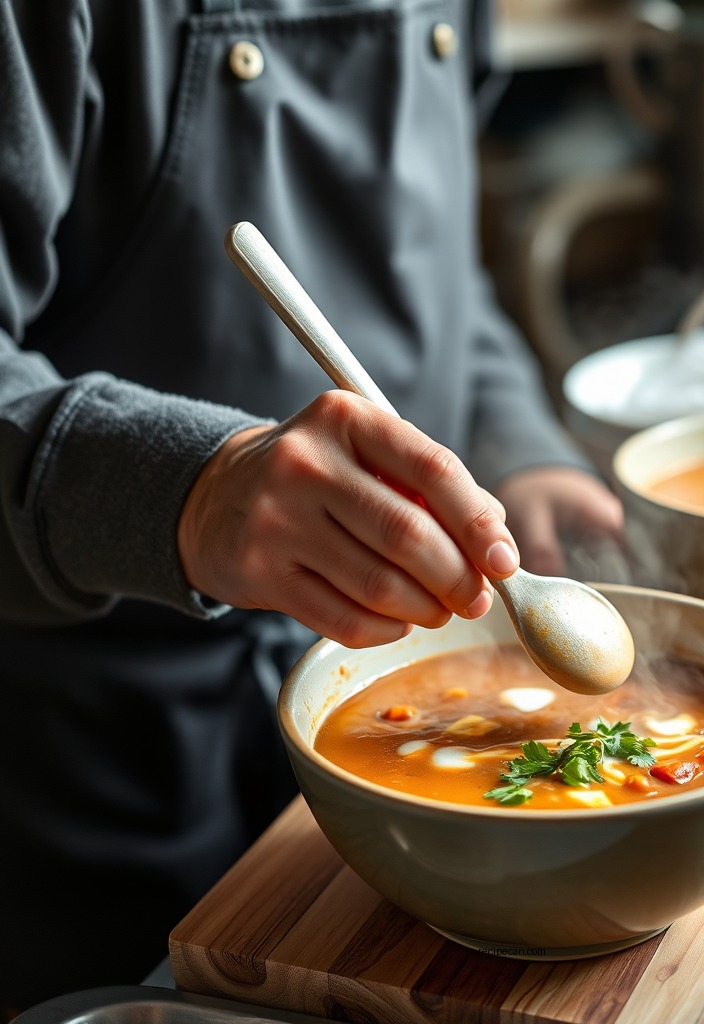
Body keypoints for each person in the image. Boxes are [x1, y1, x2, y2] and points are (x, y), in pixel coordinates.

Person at [0, 0, 623, 1013]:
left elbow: (442, 274)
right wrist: (194, 489)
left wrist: (520, 448)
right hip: (105, 750)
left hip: (400, 705)